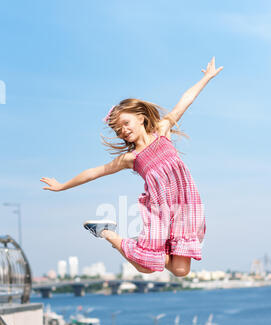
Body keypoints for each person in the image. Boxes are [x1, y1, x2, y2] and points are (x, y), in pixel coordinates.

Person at [40, 58, 223, 277]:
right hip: (160, 210)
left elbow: (185, 101)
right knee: (146, 266)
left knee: (181, 270)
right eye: (118, 131)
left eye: (125, 124)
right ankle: (107, 233)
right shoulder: (132, 158)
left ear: (140, 118)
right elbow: (94, 172)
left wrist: (205, 78)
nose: (123, 131)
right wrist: (62, 186)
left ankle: (143, 247)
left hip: (185, 204)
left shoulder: (162, 131)